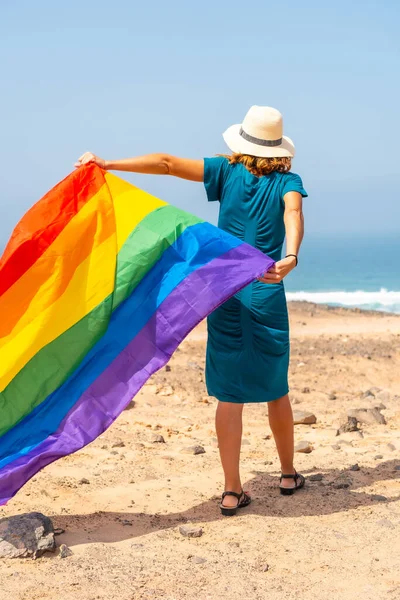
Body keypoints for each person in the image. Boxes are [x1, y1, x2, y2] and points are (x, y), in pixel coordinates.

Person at [75, 105, 308, 516]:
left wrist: (108, 163)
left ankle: (232, 490)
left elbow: (166, 164)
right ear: (279, 148)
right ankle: (288, 474)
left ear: (242, 140)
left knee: (229, 393)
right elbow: (293, 210)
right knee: (276, 387)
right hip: (267, 288)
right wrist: (290, 254)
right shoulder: (289, 181)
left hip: (225, 290)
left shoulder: (225, 171)